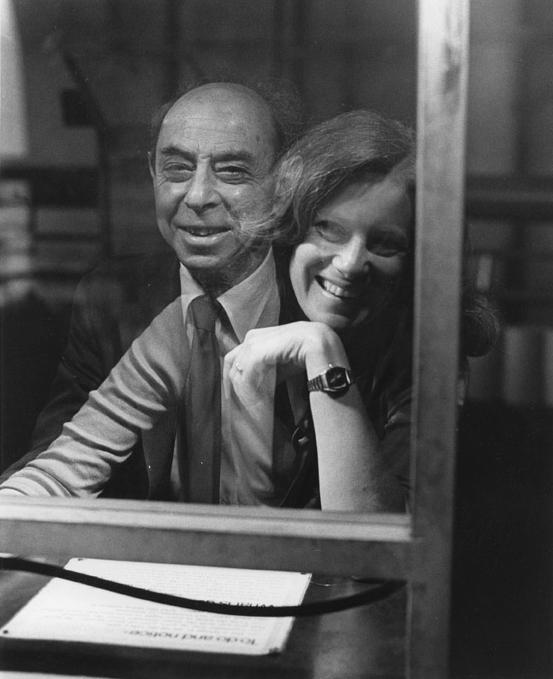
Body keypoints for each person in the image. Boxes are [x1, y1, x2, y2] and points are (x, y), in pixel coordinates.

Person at [0, 110, 499, 510]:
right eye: (328, 229)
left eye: (386, 244)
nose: (349, 265)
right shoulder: (192, 315)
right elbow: (61, 469)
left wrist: (325, 359)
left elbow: (380, 547)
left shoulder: (422, 349)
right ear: (292, 227)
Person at [0, 77, 304, 499]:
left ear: (283, 183)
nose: (197, 196)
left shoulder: (324, 299)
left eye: (232, 171)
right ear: (151, 173)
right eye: (177, 169)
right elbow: (58, 464)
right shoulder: (110, 299)